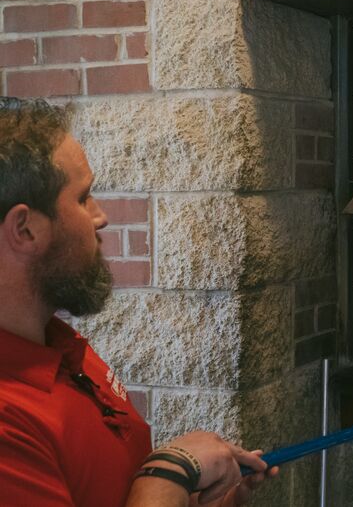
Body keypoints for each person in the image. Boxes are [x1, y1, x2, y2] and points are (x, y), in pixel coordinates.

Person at [0, 97, 276, 506]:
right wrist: (169, 474)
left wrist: (188, 497)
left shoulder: (60, 345)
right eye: (83, 198)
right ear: (25, 230)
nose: (100, 217)